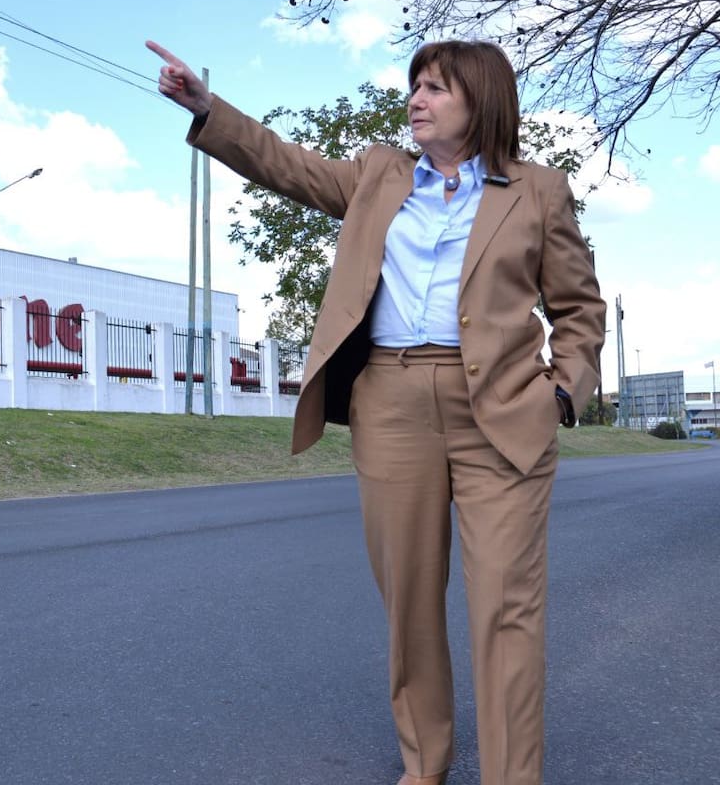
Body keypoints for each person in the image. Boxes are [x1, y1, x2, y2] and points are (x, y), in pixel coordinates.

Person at [147, 39, 606, 785]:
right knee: (410, 606)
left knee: (506, 608)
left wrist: (561, 390)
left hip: (503, 408)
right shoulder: (378, 174)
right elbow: (285, 164)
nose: (415, 100)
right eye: (414, 86)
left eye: (434, 89)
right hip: (390, 401)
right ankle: (425, 766)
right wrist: (208, 110)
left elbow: (581, 308)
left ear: (480, 100)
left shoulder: (539, 190)